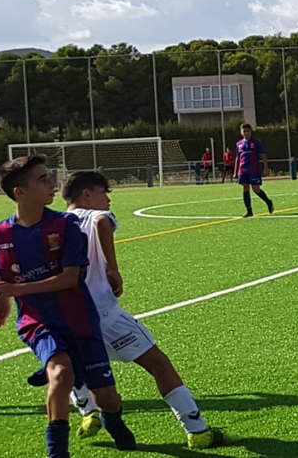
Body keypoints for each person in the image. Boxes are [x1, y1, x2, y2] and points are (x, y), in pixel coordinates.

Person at [0, 155, 136, 457]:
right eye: (42, 179)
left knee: (107, 397)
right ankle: (57, 453)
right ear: (20, 192)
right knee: (60, 373)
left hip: (79, 319)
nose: (51, 182)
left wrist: (13, 289)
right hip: (37, 322)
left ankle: (113, 419)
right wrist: (4, 290)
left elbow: (69, 278)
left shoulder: (66, 224)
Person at [62, 171, 237, 449]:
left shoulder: (52, 224)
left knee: (71, 365)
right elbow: (102, 222)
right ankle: (197, 430)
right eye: (103, 192)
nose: (107, 198)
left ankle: (88, 410)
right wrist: (112, 267)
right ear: (86, 194)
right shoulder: (93, 215)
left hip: (68, 316)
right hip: (104, 313)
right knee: (158, 364)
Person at [235, 124, 274, 217]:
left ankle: (268, 202)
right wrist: (235, 171)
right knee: (245, 188)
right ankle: (249, 211)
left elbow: (263, 155)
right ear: (241, 132)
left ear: (250, 132)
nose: (246, 133)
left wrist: (266, 168)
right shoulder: (239, 144)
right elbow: (238, 157)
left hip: (254, 169)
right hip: (243, 170)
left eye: (248, 131)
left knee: (256, 189)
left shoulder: (256, 142)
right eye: (244, 131)